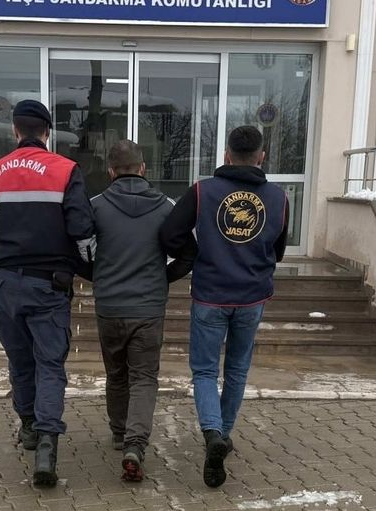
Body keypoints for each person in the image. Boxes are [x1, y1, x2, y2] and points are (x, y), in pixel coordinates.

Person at [159, 126, 288, 488]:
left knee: (204, 371)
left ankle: (212, 433)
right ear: (261, 157)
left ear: (227, 155)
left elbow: (169, 234)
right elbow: (278, 251)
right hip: (252, 297)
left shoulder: (203, 191)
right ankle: (224, 434)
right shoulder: (278, 198)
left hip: (210, 296)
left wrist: (196, 253)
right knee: (237, 370)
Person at [0, 99, 96, 487]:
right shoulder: (65, 169)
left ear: (15, 130)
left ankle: (29, 426)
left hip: (5, 282)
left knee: (20, 361)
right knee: (49, 364)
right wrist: (92, 268)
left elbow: (2, 219)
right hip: (48, 284)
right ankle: (47, 446)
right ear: (47, 132)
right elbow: (82, 230)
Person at [79, 140, 196, 482]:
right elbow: (189, 253)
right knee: (144, 377)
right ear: (143, 168)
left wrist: (100, 278)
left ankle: (120, 433)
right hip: (148, 307)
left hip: (110, 306)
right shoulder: (166, 208)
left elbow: (76, 252)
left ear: (111, 172)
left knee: (116, 374)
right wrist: (163, 278)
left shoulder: (95, 207)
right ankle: (135, 444)